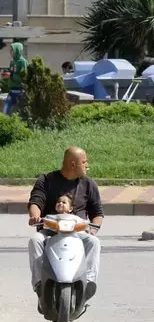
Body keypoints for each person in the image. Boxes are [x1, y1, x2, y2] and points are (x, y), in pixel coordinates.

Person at [27, 146, 104, 302]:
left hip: (77, 230)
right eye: (84, 162)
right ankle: (39, 283)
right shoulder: (46, 180)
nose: (87, 165)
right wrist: (35, 217)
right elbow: (36, 201)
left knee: (94, 242)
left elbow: (97, 213)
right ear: (73, 164)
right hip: (51, 229)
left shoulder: (89, 184)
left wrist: (92, 229)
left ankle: (89, 282)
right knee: (35, 240)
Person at [2, 42, 29, 115]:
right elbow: (11, 73)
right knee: (5, 110)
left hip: (20, 91)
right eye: (10, 50)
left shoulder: (23, 62)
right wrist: (5, 76)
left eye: (12, 50)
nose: (10, 52)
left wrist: (10, 75)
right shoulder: (12, 62)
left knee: (22, 112)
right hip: (11, 90)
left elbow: (24, 77)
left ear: (17, 50)